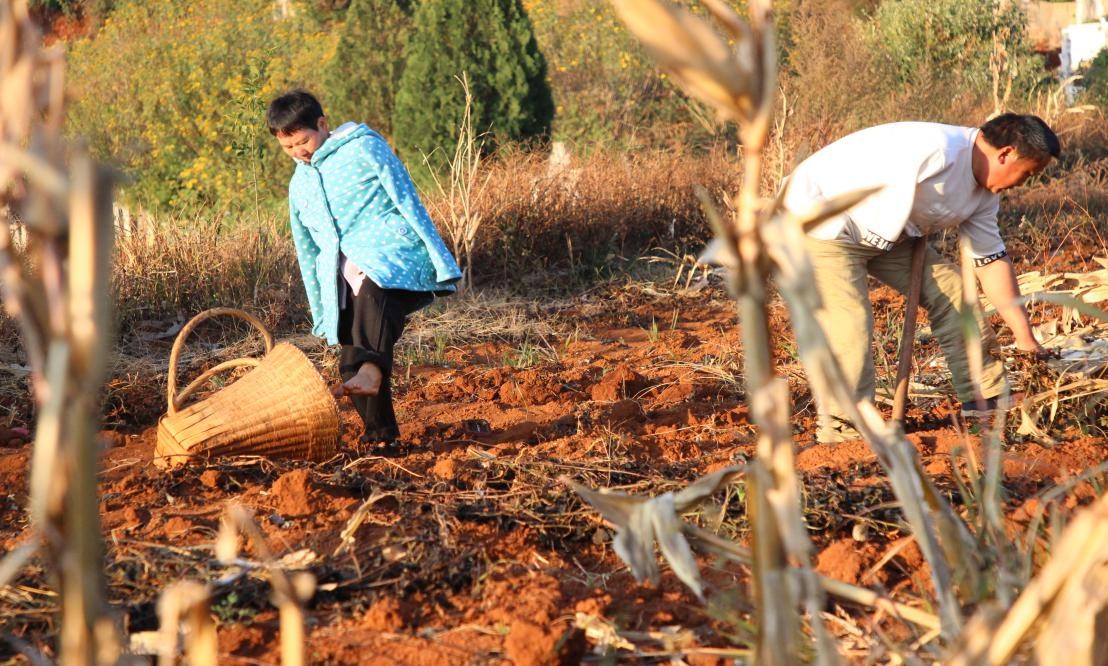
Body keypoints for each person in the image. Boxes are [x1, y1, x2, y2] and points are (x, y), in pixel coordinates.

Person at [781, 113, 1060, 443]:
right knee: (849, 324)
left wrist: (1024, 335)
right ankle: (845, 431)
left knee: (954, 293)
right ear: (1005, 154)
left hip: (887, 237)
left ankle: (986, 399)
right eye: (1027, 173)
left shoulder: (985, 195)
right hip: (817, 225)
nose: (1022, 183)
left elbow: (990, 262)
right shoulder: (935, 152)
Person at [267, 90, 462, 446]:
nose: (299, 152)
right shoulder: (299, 185)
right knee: (349, 360)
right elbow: (307, 249)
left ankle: (373, 369)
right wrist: (323, 307)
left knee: (375, 298)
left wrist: (438, 257)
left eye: (303, 140)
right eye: (288, 147)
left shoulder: (363, 148)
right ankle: (382, 437)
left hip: (393, 256)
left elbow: (406, 197)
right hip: (343, 278)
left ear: (323, 125)